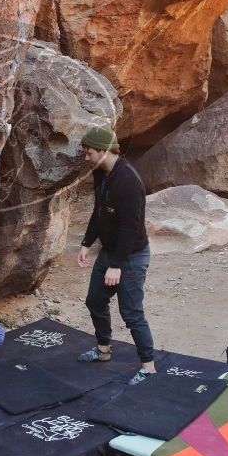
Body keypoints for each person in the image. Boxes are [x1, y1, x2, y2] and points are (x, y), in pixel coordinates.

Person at [75, 125, 156, 385]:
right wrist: (87, 243)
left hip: (130, 256)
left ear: (104, 151)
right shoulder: (102, 173)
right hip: (110, 253)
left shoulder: (129, 182)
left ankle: (148, 366)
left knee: (131, 312)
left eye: (89, 153)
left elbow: (130, 228)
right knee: (95, 300)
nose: (86, 158)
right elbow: (99, 211)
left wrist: (117, 266)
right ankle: (103, 349)